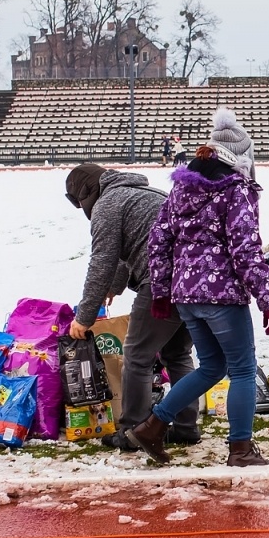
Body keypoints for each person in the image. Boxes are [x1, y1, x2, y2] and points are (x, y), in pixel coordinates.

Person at [129, 108, 269, 467]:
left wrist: (164, 291)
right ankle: (241, 449)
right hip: (222, 296)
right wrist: (267, 297)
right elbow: (244, 248)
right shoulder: (235, 192)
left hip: (186, 296)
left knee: (211, 366)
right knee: (242, 368)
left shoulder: (179, 190)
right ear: (241, 157)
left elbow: (159, 241)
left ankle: (152, 425)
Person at [64, 163, 200, 459]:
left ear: (86, 193)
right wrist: (115, 287)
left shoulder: (108, 204)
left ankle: (131, 430)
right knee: (177, 355)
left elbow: (103, 260)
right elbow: (134, 245)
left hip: (162, 283)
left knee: (137, 356)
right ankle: (187, 426)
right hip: (198, 280)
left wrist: (84, 318)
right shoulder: (146, 194)